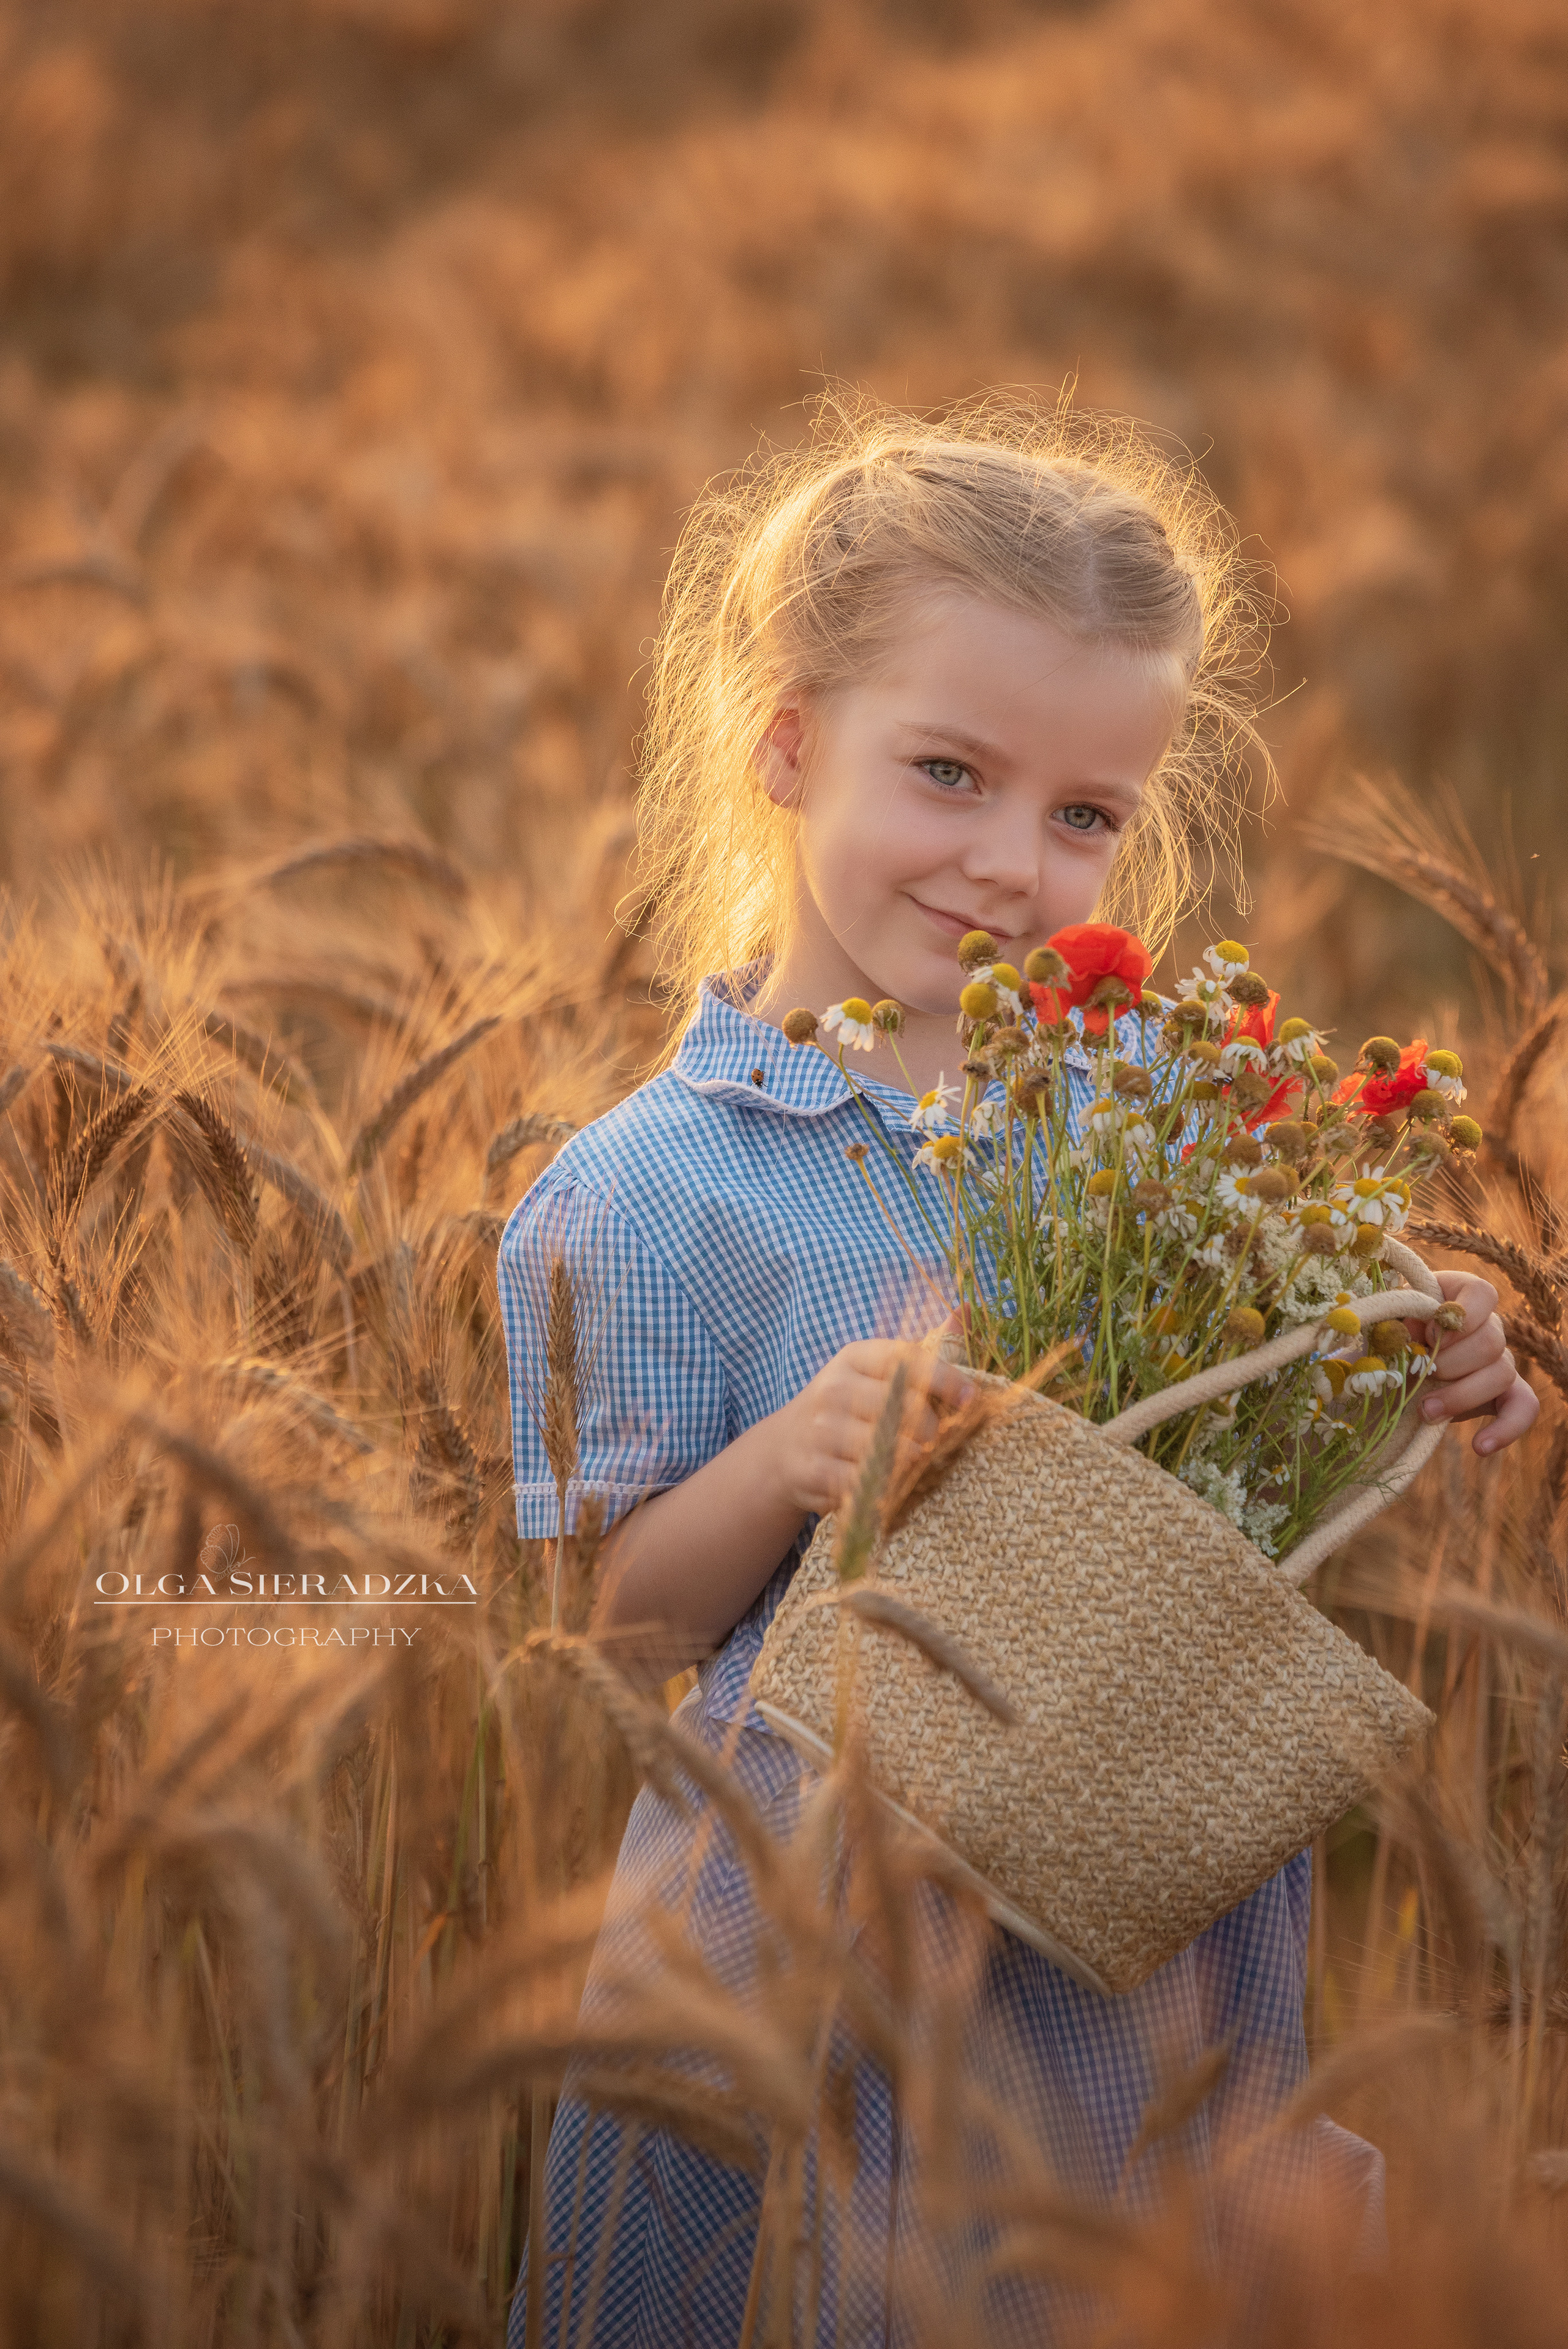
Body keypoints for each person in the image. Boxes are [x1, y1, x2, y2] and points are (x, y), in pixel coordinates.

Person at [499, 393, 1536, 2348]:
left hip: (1142, 1938)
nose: (1008, 863)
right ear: (789, 743)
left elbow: (1290, 1396)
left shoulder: (1161, 1104)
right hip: (810, 1936)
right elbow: (613, 1629)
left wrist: (1436, 1351)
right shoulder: (642, 1188)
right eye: (950, 773)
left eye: (1083, 815)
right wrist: (795, 1461)